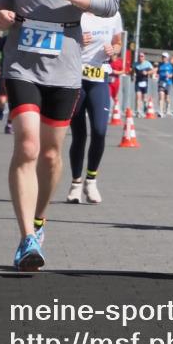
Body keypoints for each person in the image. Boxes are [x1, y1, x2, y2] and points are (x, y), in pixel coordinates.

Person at [0, 0, 119, 270]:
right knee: (27, 145)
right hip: (22, 60)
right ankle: (26, 240)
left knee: (50, 155)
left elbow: (110, 2)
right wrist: (2, 14)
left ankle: (39, 218)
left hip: (65, 63)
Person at [67, 11, 123, 204]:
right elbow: (61, 39)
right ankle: (75, 183)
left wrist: (113, 51)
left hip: (99, 78)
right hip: (76, 77)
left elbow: (118, 43)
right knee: (79, 134)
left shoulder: (113, 15)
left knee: (100, 130)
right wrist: (77, 40)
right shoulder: (76, 12)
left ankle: (91, 180)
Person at [133, 51, 154, 117]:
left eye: (142, 56)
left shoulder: (148, 64)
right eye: (139, 56)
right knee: (137, 96)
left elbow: (153, 70)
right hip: (138, 82)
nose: (140, 57)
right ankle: (138, 111)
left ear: (144, 57)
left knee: (144, 98)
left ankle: (145, 105)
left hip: (144, 82)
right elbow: (132, 70)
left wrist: (147, 73)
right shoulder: (135, 64)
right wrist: (132, 76)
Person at [157, 51, 173, 116]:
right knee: (161, 95)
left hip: (168, 82)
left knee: (167, 98)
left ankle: (168, 108)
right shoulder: (160, 65)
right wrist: (157, 75)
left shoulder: (170, 66)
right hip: (161, 82)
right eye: (162, 57)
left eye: (164, 57)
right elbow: (158, 72)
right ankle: (160, 111)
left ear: (167, 58)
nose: (163, 58)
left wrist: (170, 76)